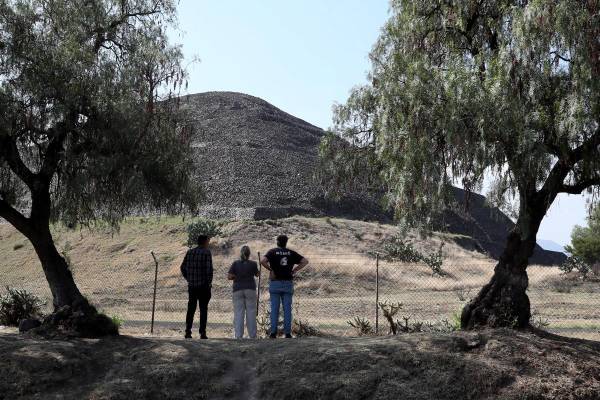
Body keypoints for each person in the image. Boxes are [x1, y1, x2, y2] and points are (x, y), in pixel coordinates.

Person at [261, 235, 309, 338]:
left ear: (277, 242)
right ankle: (287, 333)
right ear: (286, 242)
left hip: (275, 283)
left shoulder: (272, 252)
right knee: (287, 309)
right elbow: (305, 261)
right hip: (287, 283)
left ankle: (273, 333)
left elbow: (262, 261)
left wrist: (271, 270)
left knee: (274, 308)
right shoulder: (291, 253)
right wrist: (295, 270)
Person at [180, 234, 213, 339]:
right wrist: (208, 283)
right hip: (203, 286)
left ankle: (188, 331)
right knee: (203, 310)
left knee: (191, 309)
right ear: (204, 242)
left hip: (192, 286)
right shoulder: (206, 253)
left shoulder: (190, 252)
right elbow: (209, 270)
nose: (208, 243)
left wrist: (188, 278)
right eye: (208, 241)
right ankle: (202, 332)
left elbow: (182, 267)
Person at [228, 245, 259, 339]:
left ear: (240, 253)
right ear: (249, 254)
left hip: (237, 289)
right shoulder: (253, 264)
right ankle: (252, 335)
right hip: (250, 289)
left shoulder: (235, 263)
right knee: (251, 313)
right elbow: (257, 275)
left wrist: (236, 277)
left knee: (238, 313)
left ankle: (238, 336)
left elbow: (229, 277)